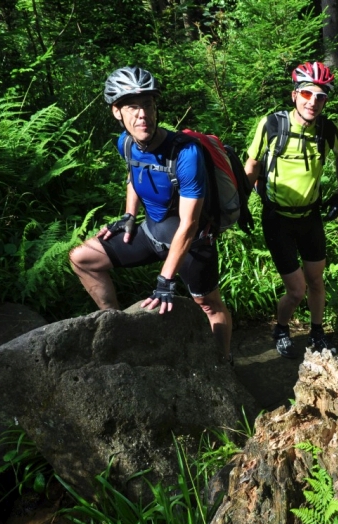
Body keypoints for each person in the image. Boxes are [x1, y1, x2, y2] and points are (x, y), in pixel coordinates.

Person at [68, 66, 233, 364]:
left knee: (208, 304)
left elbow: (189, 224)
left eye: (147, 104)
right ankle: (115, 325)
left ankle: (223, 362)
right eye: (132, 106)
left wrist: (165, 279)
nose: (142, 114)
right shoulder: (125, 142)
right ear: (117, 112)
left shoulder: (185, 153)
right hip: (152, 231)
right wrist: (129, 215)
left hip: (192, 243)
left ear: (156, 108)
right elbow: (134, 175)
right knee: (82, 259)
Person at [244, 61, 338, 358]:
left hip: (310, 217)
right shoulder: (272, 125)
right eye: (306, 94)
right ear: (294, 95)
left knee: (316, 280)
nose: (313, 102)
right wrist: (239, 204)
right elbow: (252, 164)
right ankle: (281, 328)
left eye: (320, 97)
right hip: (277, 219)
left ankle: (317, 332)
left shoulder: (327, 129)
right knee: (296, 290)